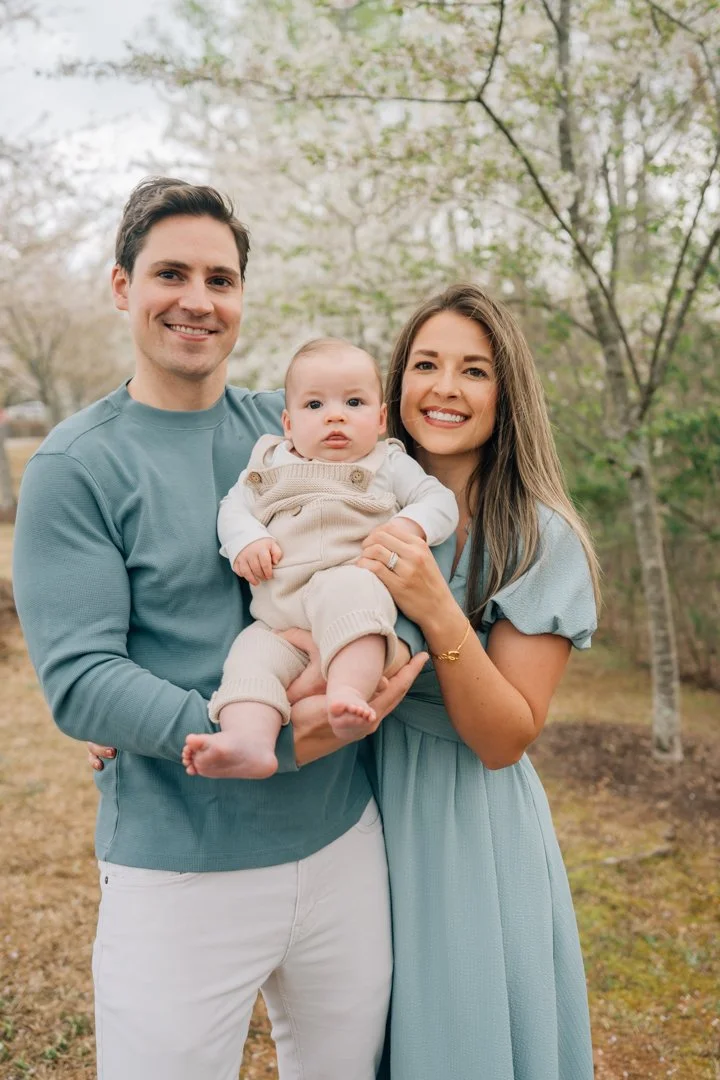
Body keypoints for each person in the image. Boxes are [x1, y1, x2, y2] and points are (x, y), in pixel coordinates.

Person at [12, 176, 427, 1080]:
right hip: (181, 870)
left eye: (222, 279)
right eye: (171, 273)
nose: (198, 301)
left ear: (241, 298)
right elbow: (82, 681)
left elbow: (420, 495)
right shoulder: (74, 468)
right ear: (122, 287)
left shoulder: (294, 431)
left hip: (342, 843)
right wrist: (255, 729)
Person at [355, 284, 600, 1080]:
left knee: (454, 1044)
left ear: (507, 394)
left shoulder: (538, 536)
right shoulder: (349, 493)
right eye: (426, 364)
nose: (447, 388)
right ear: (397, 386)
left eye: (475, 370)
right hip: (344, 802)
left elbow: (505, 738)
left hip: (463, 821)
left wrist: (435, 605)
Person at [183, 336, 457, 779]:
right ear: (288, 423)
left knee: (354, 597)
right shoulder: (268, 462)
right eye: (314, 406)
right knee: (248, 660)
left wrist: (407, 527)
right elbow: (232, 508)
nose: (335, 415)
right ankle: (249, 742)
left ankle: (347, 693)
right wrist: (247, 540)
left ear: (381, 418)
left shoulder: (387, 462)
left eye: (353, 402)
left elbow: (439, 500)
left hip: (349, 589)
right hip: (277, 621)